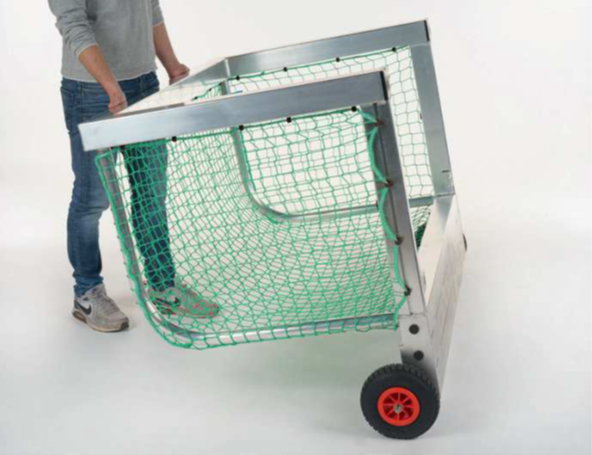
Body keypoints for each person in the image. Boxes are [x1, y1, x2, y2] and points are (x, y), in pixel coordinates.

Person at [49, 0, 219, 333]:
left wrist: (173, 66)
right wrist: (109, 85)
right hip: (91, 90)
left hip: (145, 84)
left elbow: (150, 8)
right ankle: (87, 292)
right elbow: (72, 24)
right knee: (93, 199)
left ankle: (162, 285)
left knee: (151, 192)